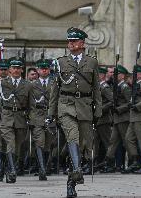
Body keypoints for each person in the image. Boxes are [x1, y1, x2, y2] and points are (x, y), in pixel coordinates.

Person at [48, 27, 102, 198]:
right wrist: (51, 113)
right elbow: (54, 90)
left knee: (85, 146)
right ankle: (75, 173)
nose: (70, 44)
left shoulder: (92, 62)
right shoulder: (61, 62)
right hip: (66, 105)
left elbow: (96, 89)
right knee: (72, 137)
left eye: (73, 41)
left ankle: (73, 175)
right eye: (69, 41)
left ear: (82, 43)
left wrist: (98, 110)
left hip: (85, 106)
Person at [0, 56, 32, 183]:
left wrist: (30, 118)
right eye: (13, 68)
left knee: (17, 146)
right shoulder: (2, 84)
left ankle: (2, 168)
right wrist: (0, 115)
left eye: (18, 68)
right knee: (10, 143)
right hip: (7, 117)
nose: (16, 70)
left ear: (22, 70)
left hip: (20, 118)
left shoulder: (27, 85)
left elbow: (30, 104)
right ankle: (12, 171)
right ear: (9, 69)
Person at [100, 65, 131, 173]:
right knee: (112, 142)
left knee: (127, 141)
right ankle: (108, 163)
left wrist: (119, 109)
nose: (115, 76)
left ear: (122, 76)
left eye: (117, 74)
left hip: (123, 118)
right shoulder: (116, 86)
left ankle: (132, 162)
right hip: (117, 118)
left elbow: (129, 103)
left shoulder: (124, 87)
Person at [123, 65, 141, 174]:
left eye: (136, 73)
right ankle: (135, 161)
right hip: (134, 117)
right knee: (128, 139)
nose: (133, 75)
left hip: (140, 116)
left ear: (140, 74)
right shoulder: (136, 85)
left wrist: (137, 106)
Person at [29, 58, 55, 181]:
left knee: (48, 145)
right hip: (37, 115)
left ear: (49, 70)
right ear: (38, 70)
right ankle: (42, 169)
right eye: (42, 69)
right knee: (39, 142)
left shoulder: (54, 83)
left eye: (46, 69)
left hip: (50, 115)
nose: (44, 71)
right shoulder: (32, 85)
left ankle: (46, 165)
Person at [95, 67, 113, 164]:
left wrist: (101, 109)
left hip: (104, 119)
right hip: (97, 119)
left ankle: (110, 163)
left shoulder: (105, 87)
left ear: (101, 75)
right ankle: (94, 162)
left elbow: (111, 101)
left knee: (107, 142)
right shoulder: (97, 86)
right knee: (95, 142)